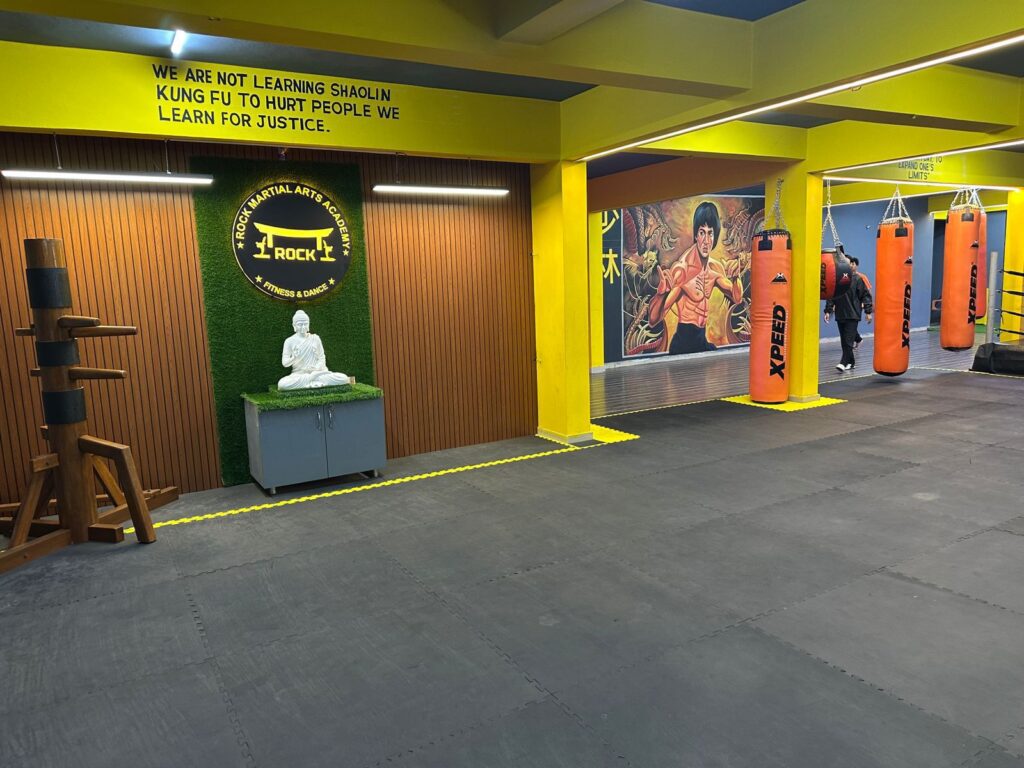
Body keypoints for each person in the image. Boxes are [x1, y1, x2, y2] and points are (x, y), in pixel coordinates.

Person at [649, 201, 743, 354]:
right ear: (695, 235)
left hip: (701, 341)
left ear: (715, 236)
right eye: (702, 233)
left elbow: (736, 298)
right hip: (683, 345)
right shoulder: (683, 271)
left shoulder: (714, 268)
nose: (706, 241)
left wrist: (735, 278)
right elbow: (654, 320)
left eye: (710, 233)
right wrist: (661, 294)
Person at [278, 309, 351, 389]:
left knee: (343, 378)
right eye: (300, 324)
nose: (303, 327)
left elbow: (322, 357)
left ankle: (313, 380)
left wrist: (316, 368)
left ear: (309, 324)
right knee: (282, 384)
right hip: (300, 375)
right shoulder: (289, 341)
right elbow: (285, 363)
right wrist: (294, 357)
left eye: (305, 324)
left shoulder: (315, 338)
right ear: (294, 325)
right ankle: (313, 379)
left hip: (318, 372)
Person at [824, 255, 873, 371]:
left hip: (853, 314)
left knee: (848, 341)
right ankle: (851, 362)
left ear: (851, 265)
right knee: (844, 341)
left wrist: (868, 312)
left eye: (848, 263)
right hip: (840, 314)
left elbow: (865, 295)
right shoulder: (837, 280)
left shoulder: (858, 279)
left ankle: (843, 362)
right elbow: (831, 296)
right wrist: (828, 311)